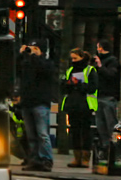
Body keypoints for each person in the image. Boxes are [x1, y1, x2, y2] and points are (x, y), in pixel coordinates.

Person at [17, 38, 58, 172]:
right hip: (27, 102)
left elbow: (43, 70)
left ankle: (46, 159)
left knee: (42, 134)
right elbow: (17, 70)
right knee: (31, 135)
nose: (32, 51)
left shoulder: (47, 63)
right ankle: (34, 159)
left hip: (40, 102)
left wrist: (34, 56)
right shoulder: (27, 63)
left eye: (35, 49)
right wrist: (22, 54)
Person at [61, 48, 98, 168]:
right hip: (73, 104)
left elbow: (93, 87)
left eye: (75, 58)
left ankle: (85, 158)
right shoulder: (70, 70)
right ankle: (77, 157)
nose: (73, 61)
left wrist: (79, 84)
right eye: (72, 58)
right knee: (74, 131)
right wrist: (68, 83)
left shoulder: (90, 70)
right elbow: (63, 87)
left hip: (85, 105)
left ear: (82, 58)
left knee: (86, 132)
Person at [93, 40, 121, 159]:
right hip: (99, 96)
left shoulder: (113, 61)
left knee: (110, 124)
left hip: (109, 96)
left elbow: (111, 75)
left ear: (101, 48)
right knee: (101, 125)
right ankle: (105, 149)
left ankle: (115, 150)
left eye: (98, 47)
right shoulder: (104, 61)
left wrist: (100, 66)